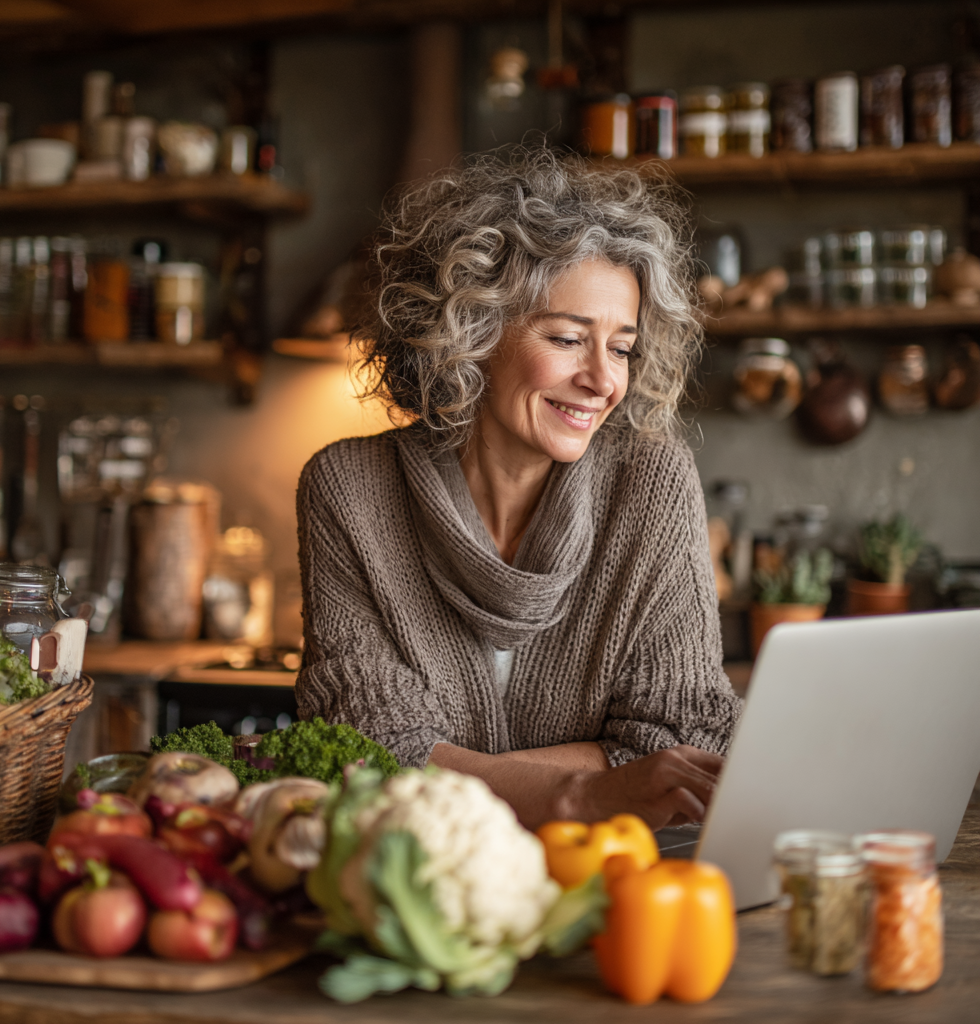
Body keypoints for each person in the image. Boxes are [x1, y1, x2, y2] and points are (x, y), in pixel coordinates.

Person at [296, 147, 742, 831]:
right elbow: (363, 754)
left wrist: (451, 766)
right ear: (469, 333)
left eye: (621, 347)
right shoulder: (349, 489)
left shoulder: (651, 480)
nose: (603, 380)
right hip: (415, 884)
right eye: (568, 338)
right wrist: (586, 794)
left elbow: (680, 748)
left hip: (611, 884)